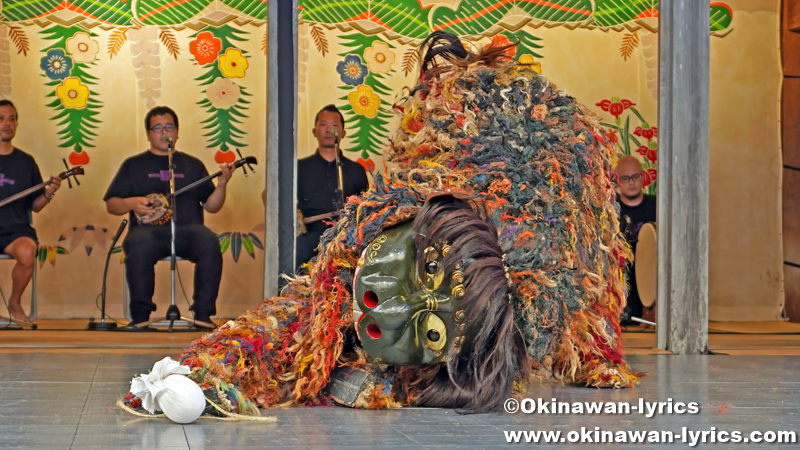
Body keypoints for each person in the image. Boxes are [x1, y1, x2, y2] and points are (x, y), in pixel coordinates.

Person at [103, 106, 233, 328]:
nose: (164, 132)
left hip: (188, 230)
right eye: (157, 127)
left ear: (177, 132)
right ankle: (140, 317)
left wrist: (222, 185)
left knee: (209, 242)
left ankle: (202, 315)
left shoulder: (192, 165)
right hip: (148, 233)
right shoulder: (133, 165)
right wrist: (131, 203)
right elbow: (112, 204)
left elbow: (211, 206)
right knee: (138, 243)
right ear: (148, 134)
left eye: (169, 127)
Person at [0, 100, 61, 323]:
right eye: (1, 118)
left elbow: (35, 205)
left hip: (15, 230)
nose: (7, 123)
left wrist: (50, 192)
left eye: (11, 118)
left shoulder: (25, 162)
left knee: (28, 251)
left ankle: (14, 303)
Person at [296, 104, 368, 270]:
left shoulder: (356, 170)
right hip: (307, 239)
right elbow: (273, 197)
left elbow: (365, 210)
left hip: (346, 241)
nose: (329, 130)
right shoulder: (298, 168)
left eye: (334, 126)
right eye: (323, 125)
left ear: (343, 133)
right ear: (315, 132)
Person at [615, 155, 657, 324]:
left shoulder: (657, 206)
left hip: (651, 276)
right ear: (617, 180)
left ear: (642, 177)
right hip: (622, 276)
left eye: (635, 177)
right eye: (625, 178)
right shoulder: (610, 209)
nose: (631, 182)